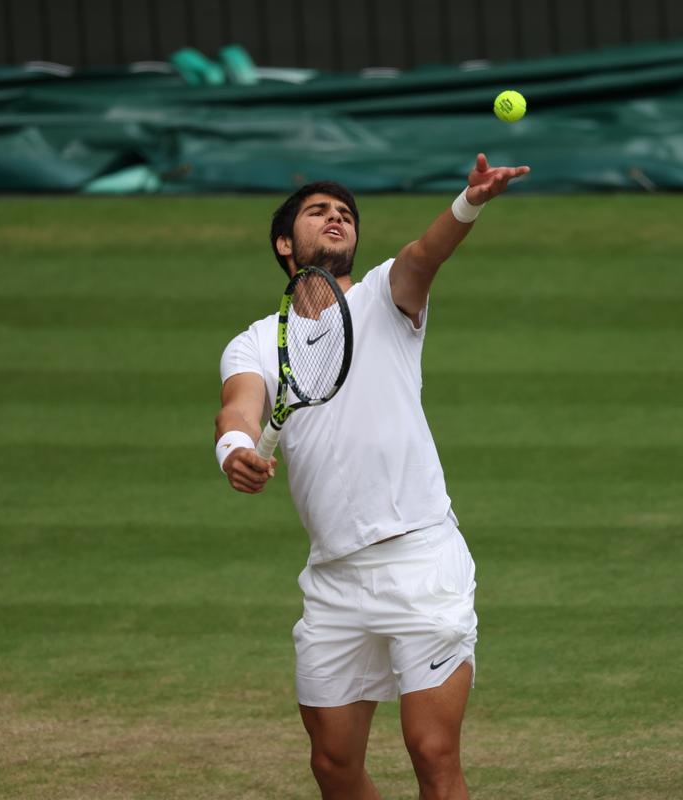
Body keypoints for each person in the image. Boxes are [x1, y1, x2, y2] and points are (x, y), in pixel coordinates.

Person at [214, 154, 530, 800]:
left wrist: (468, 202)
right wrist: (235, 451)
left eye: (346, 214)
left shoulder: (387, 296)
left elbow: (423, 255)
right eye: (317, 211)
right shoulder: (255, 343)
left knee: (432, 750)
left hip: (422, 563)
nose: (336, 217)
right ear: (284, 243)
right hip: (335, 581)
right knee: (332, 765)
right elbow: (238, 406)